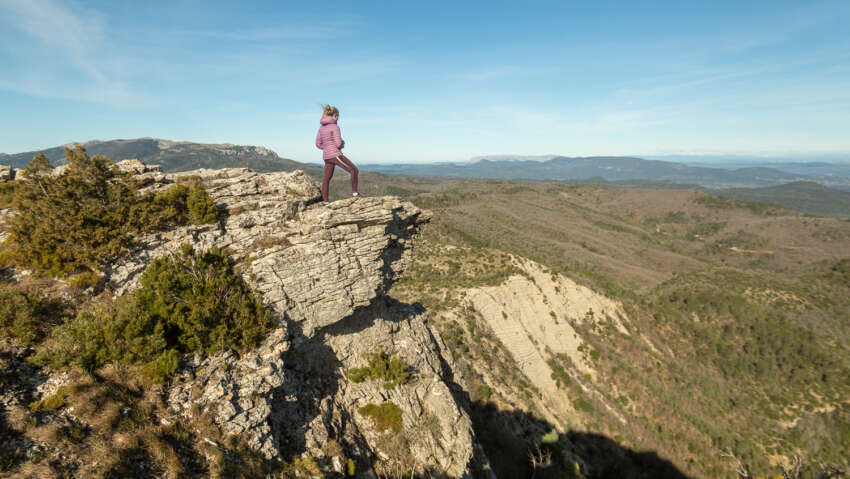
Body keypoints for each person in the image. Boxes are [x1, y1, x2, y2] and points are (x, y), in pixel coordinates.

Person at [315, 105, 361, 205]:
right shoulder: (335, 126)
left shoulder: (321, 128)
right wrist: (341, 144)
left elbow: (318, 144)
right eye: (338, 116)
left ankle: (325, 202)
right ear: (334, 116)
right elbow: (338, 143)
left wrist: (327, 148)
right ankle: (355, 194)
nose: (339, 118)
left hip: (326, 156)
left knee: (326, 179)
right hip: (335, 154)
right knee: (354, 170)